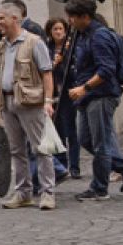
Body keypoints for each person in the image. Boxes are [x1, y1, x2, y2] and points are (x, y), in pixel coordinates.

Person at [64, 0, 123, 201]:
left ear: (84, 17)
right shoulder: (82, 35)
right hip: (86, 97)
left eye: (72, 17)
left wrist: (84, 87)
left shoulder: (99, 36)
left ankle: (99, 188)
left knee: (101, 144)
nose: (69, 21)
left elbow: (106, 69)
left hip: (101, 95)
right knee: (86, 140)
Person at [0, 1, 57, 210]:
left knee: (41, 149)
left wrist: (48, 102)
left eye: (1, 19)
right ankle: (23, 192)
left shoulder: (34, 42)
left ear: (14, 19)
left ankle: (48, 193)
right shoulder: (0, 44)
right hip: (7, 101)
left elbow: (47, 73)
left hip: (31, 102)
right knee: (16, 150)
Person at [46, 17, 81, 181]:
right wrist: (54, 63)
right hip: (53, 95)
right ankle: (61, 164)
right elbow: (45, 72)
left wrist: (64, 59)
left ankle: (75, 166)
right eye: (55, 29)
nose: (58, 32)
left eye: (61, 29)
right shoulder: (47, 49)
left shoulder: (72, 48)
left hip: (68, 93)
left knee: (71, 130)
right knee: (58, 130)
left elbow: (75, 71)